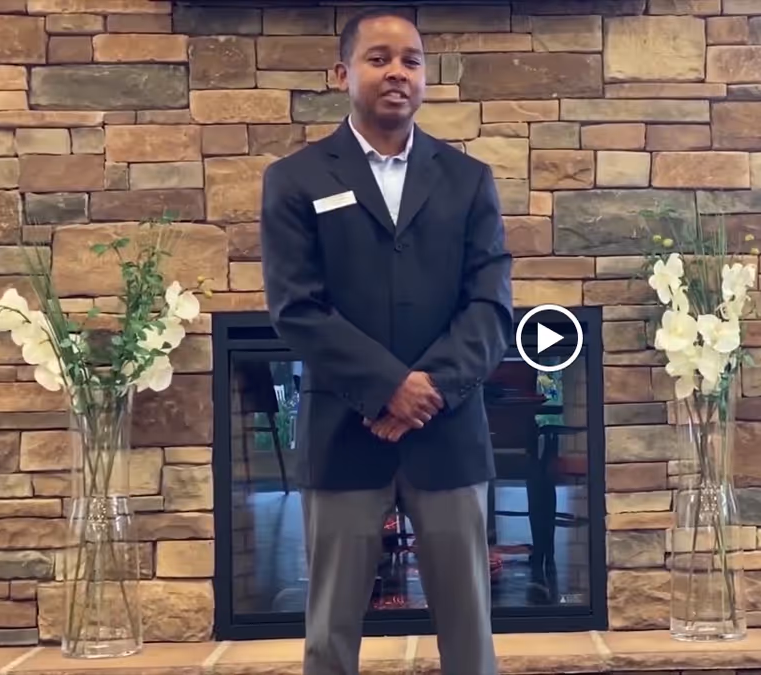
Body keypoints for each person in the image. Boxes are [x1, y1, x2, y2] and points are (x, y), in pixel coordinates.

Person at [258, 9, 512, 675]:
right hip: (345, 430)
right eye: (379, 58)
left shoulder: (469, 179)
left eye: (411, 59)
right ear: (342, 73)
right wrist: (388, 387)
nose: (397, 71)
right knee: (330, 636)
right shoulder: (296, 179)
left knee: (470, 634)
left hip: (449, 429)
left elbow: (490, 304)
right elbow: (296, 308)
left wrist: (428, 390)